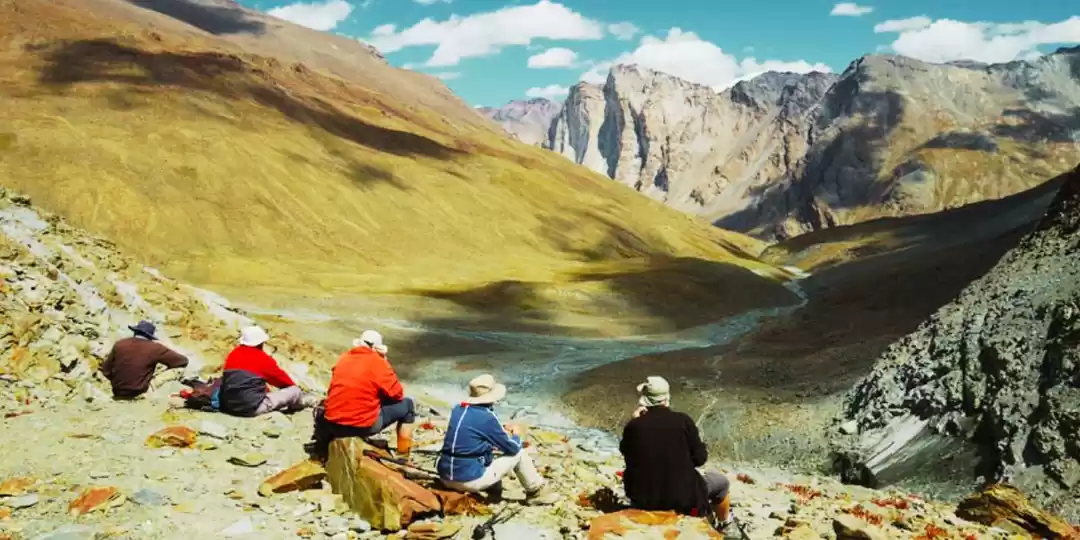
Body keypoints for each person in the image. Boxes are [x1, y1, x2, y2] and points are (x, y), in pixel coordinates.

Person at [619, 376, 731, 528]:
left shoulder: (634, 427)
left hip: (643, 499)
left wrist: (633, 421)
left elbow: (626, 452)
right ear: (666, 398)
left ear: (645, 399)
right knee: (722, 483)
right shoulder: (683, 421)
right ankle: (725, 525)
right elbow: (700, 459)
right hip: (684, 498)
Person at [436, 374, 559, 505]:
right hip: (466, 481)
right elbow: (512, 448)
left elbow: (473, 434)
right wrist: (516, 435)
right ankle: (536, 492)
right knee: (519, 454)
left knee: (482, 450)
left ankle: (492, 488)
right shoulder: (486, 417)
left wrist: (498, 431)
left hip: (445, 476)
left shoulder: (458, 409)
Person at [308, 330, 417, 460]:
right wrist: (384, 362)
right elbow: (397, 394)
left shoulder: (344, 358)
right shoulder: (379, 363)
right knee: (408, 405)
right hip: (360, 426)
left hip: (333, 423)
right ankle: (403, 456)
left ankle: (322, 449)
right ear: (378, 349)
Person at [218, 325, 310, 417]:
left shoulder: (233, 355)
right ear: (260, 343)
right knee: (295, 391)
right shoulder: (262, 359)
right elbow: (284, 382)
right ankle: (302, 403)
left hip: (229, 406)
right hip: (250, 408)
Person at [100, 320, 190, 400]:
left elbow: (106, 371)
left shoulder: (120, 344)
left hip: (117, 391)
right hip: (139, 392)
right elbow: (183, 361)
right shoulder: (155, 348)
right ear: (150, 336)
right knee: (179, 370)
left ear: (135, 332)